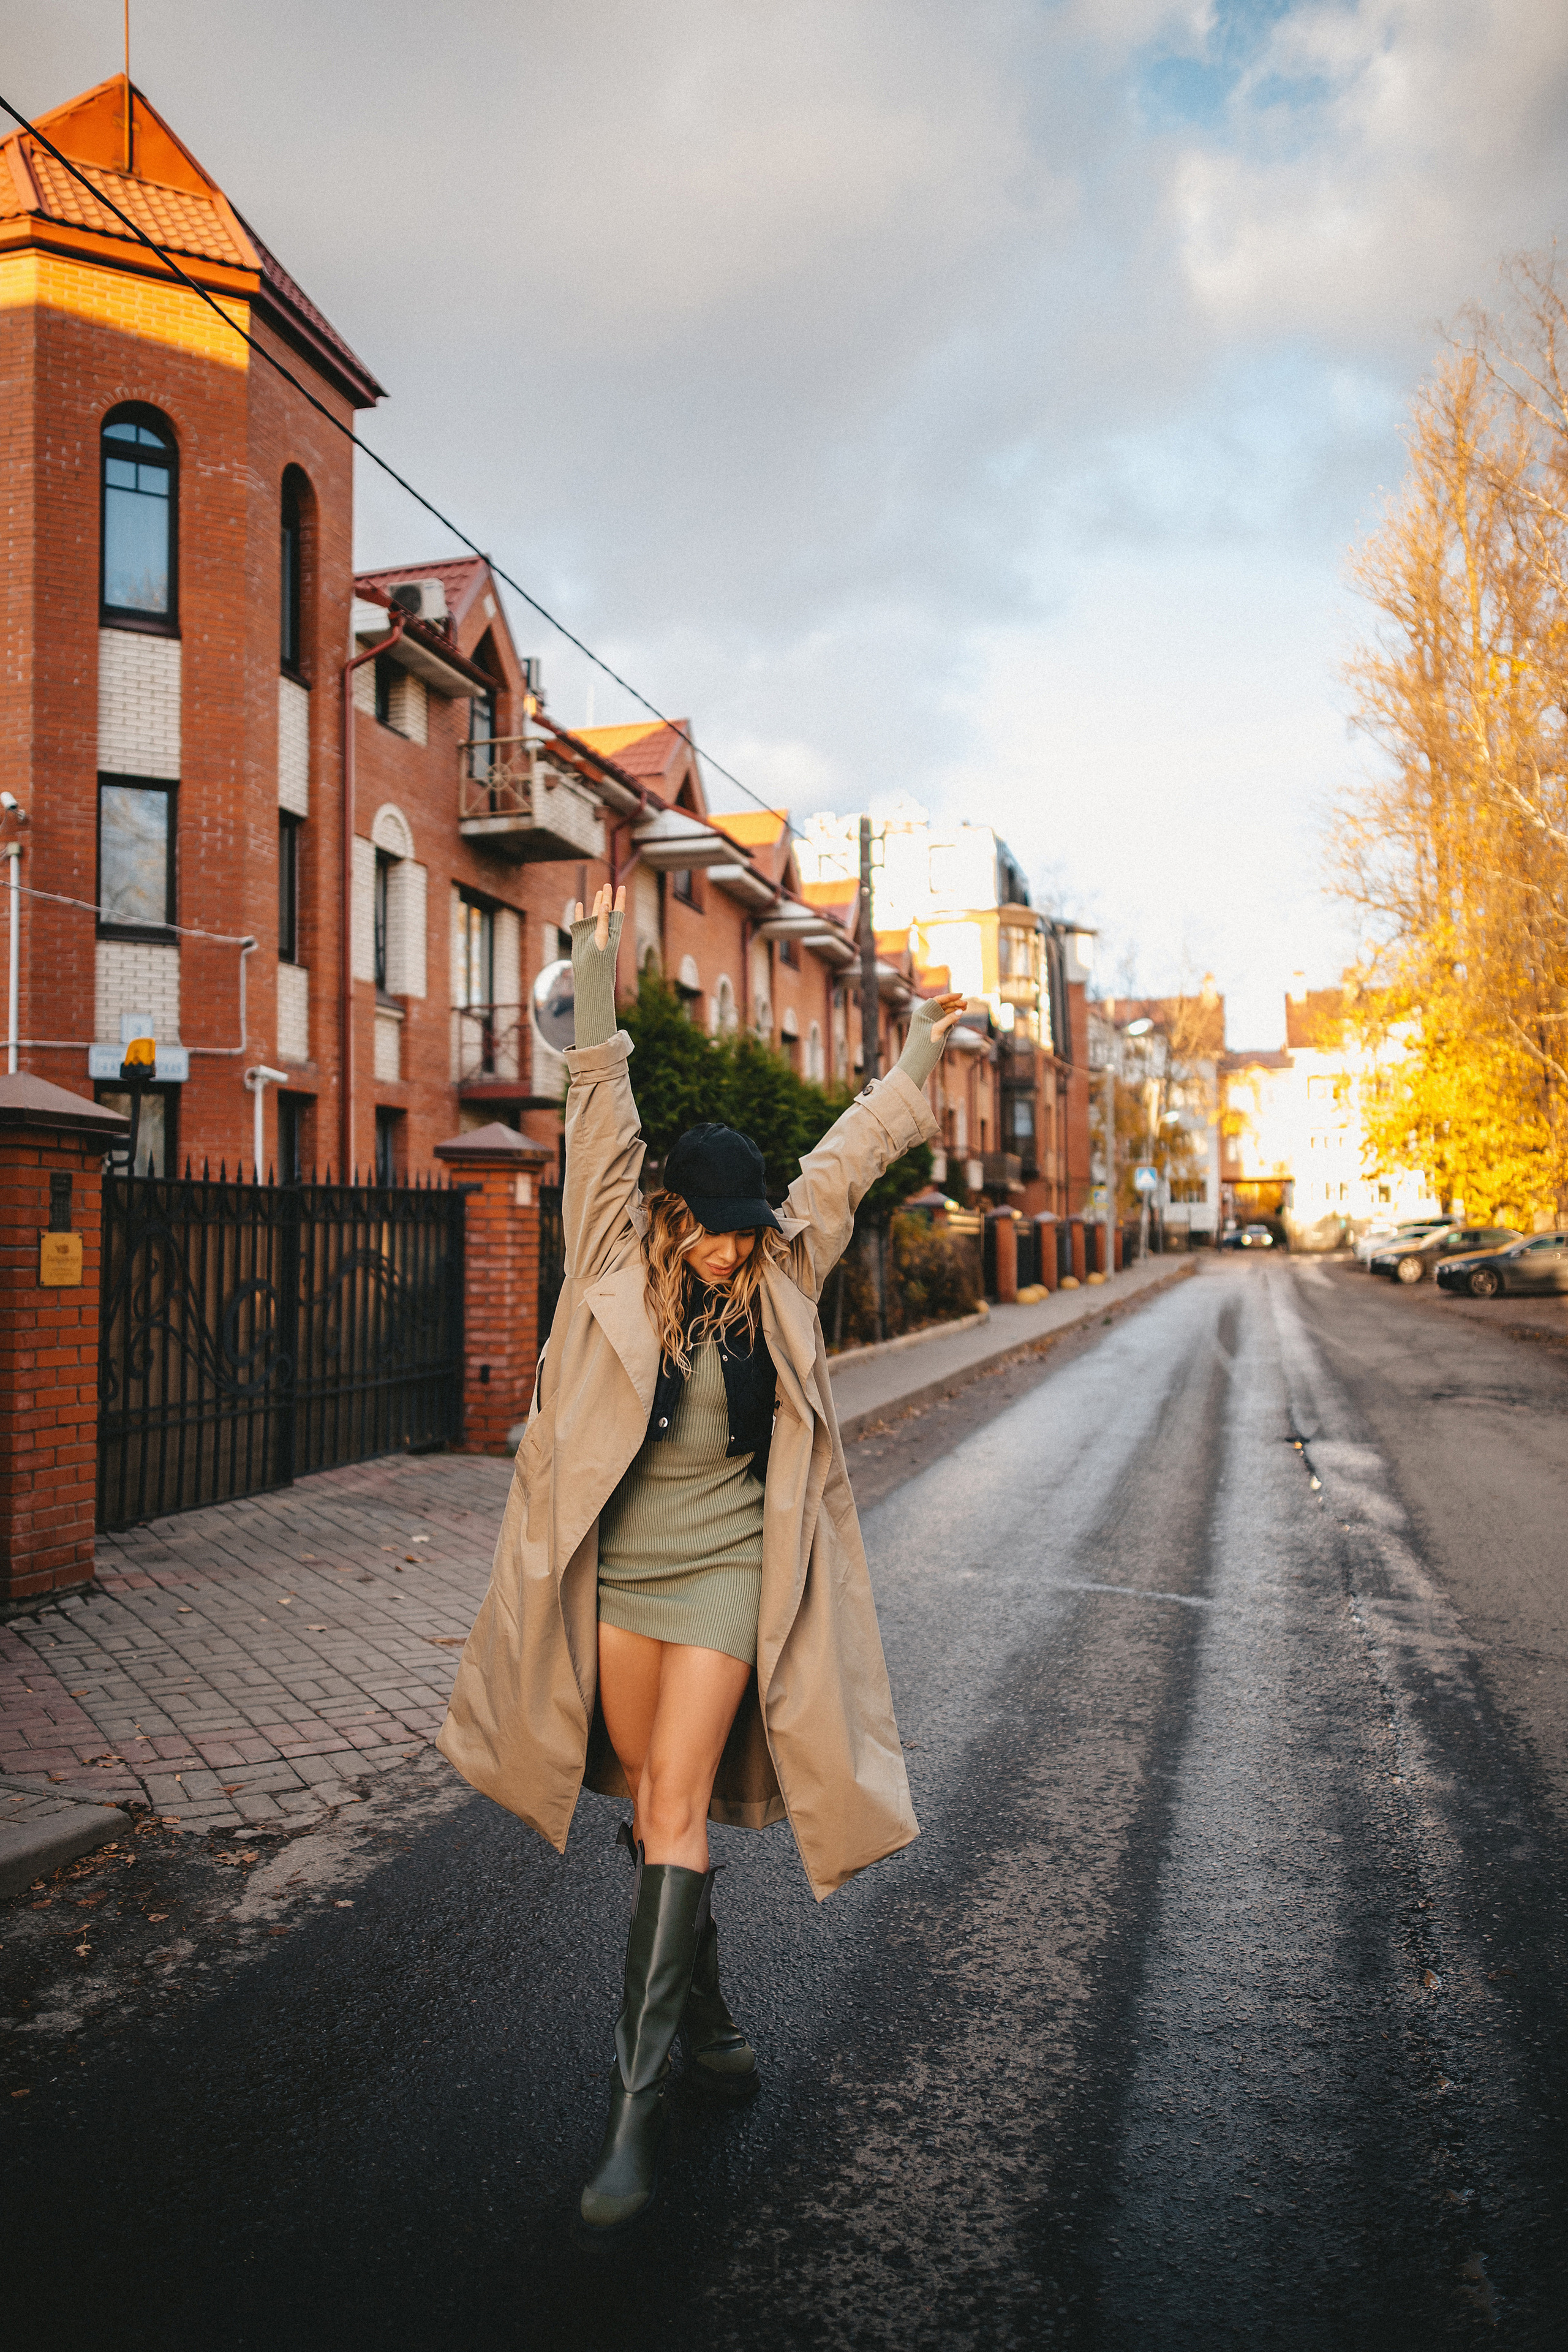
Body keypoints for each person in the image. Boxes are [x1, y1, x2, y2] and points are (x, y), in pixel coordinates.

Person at [438, 883, 965, 2242]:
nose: (735, 1241)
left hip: (734, 1570)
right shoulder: (609, 1252)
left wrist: (913, 1060)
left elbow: (842, 1162)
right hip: (621, 1575)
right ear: (677, 1211)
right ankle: (712, 2021)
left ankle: (630, 2109)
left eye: (746, 1222)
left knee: (674, 1802)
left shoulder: (783, 1270)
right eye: (717, 1222)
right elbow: (597, 1122)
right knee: (649, 1818)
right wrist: (596, 980)